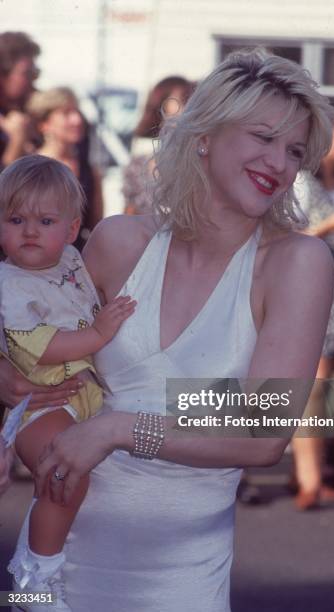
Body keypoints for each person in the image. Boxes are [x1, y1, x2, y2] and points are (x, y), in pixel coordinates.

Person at [1, 49, 334, 611]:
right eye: (263, 137)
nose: (279, 163)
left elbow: (264, 436)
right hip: (52, 569)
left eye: (295, 150)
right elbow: (20, 326)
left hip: (180, 586)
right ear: (204, 135)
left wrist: (121, 429)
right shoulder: (118, 243)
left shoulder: (297, 264)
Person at [0, 155, 135, 610]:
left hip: (84, 397)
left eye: (45, 220)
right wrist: (99, 334)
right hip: (38, 406)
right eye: (15, 220)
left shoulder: (74, 261)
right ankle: (37, 575)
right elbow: (34, 346)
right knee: (62, 473)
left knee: (74, 488)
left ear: (73, 229)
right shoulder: (9, 283)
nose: (30, 231)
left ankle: (38, 560)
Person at [290, 102, 334, 510]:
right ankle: (309, 480)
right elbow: (290, 237)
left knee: (320, 389)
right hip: (313, 291)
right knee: (311, 389)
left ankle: (311, 475)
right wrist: (331, 226)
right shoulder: (301, 181)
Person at [26, 87, 104, 250]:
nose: (77, 120)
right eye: (66, 113)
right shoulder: (27, 168)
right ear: (44, 124)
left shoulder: (89, 169)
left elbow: (96, 226)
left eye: (77, 112)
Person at [122, 76, 193, 215]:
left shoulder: (202, 161)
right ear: (162, 106)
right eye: (184, 99)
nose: (189, 105)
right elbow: (128, 216)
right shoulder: (139, 164)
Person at [0, 31, 40, 170]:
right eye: (27, 73)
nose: (34, 79)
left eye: (36, 73)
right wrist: (17, 141)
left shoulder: (32, 112)